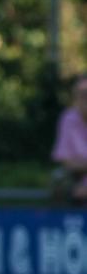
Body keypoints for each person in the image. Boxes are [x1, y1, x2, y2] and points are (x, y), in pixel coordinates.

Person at [51, 74, 87, 203]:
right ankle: (60, 221)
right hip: (75, 183)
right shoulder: (68, 119)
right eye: (81, 94)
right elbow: (66, 161)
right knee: (58, 178)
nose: (84, 99)